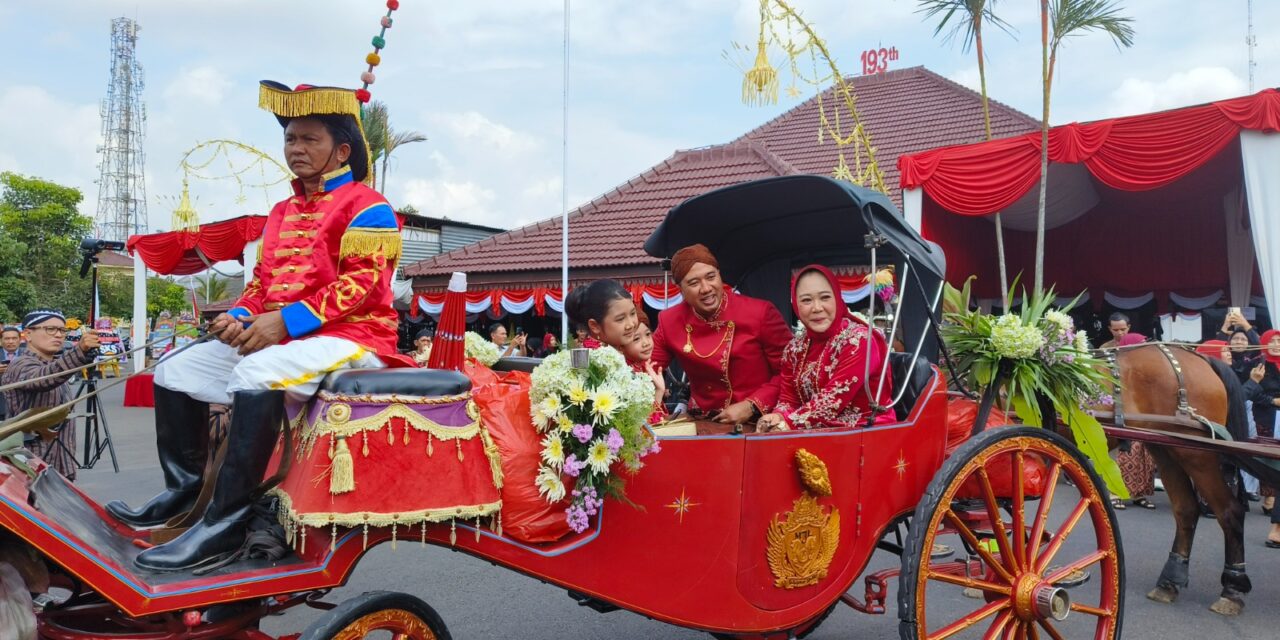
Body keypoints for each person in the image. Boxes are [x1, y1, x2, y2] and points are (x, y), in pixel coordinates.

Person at [106, 81, 413, 572]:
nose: (296, 148)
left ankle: (227, 523)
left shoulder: (369, 207)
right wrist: (241, 316)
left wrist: (282, 323)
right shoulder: (280, 212)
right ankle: (185, 494)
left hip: (352, 339)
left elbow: (362, 289)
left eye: (309, 139)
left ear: (342, 150)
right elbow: (261, 285)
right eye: (290, 139)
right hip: (286, 340)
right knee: (173, 372)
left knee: (256, 373)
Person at [651, 244, 792, 424]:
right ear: (680, 289)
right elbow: (645, 372)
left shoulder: (759, 313)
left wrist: (752, 405)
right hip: (701, 423)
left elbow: (790, 372)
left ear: (719, 275)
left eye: (711, 277)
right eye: (694, 283)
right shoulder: (669, 321)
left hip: (758, 422)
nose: (706, 288)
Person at [757, 265, 894, 431]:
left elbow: (831, 401)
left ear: (837, 298)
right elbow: (789, 399)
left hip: (864, 432)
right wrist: (777, 416)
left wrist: (788, 424)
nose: (817, 308)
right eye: (806, 300)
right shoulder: (795, 348)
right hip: (814, 433)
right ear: (796, 305)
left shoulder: (859, 341)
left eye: (825, 298)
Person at [0, 309, 100, 481]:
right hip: (30, 465)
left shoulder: (54, 364)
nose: (58, 335)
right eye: (50, 329)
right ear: (28, 334)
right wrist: (79, 352)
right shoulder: (20, 364)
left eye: (62, 330)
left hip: (60, 463)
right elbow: (43, 379)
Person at [0, 325, 24, 419]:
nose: (10, 341)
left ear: (19, 339)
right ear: (1, 340)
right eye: (7, 338)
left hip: (24, 407)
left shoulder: (29, 355)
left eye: (14, 338)